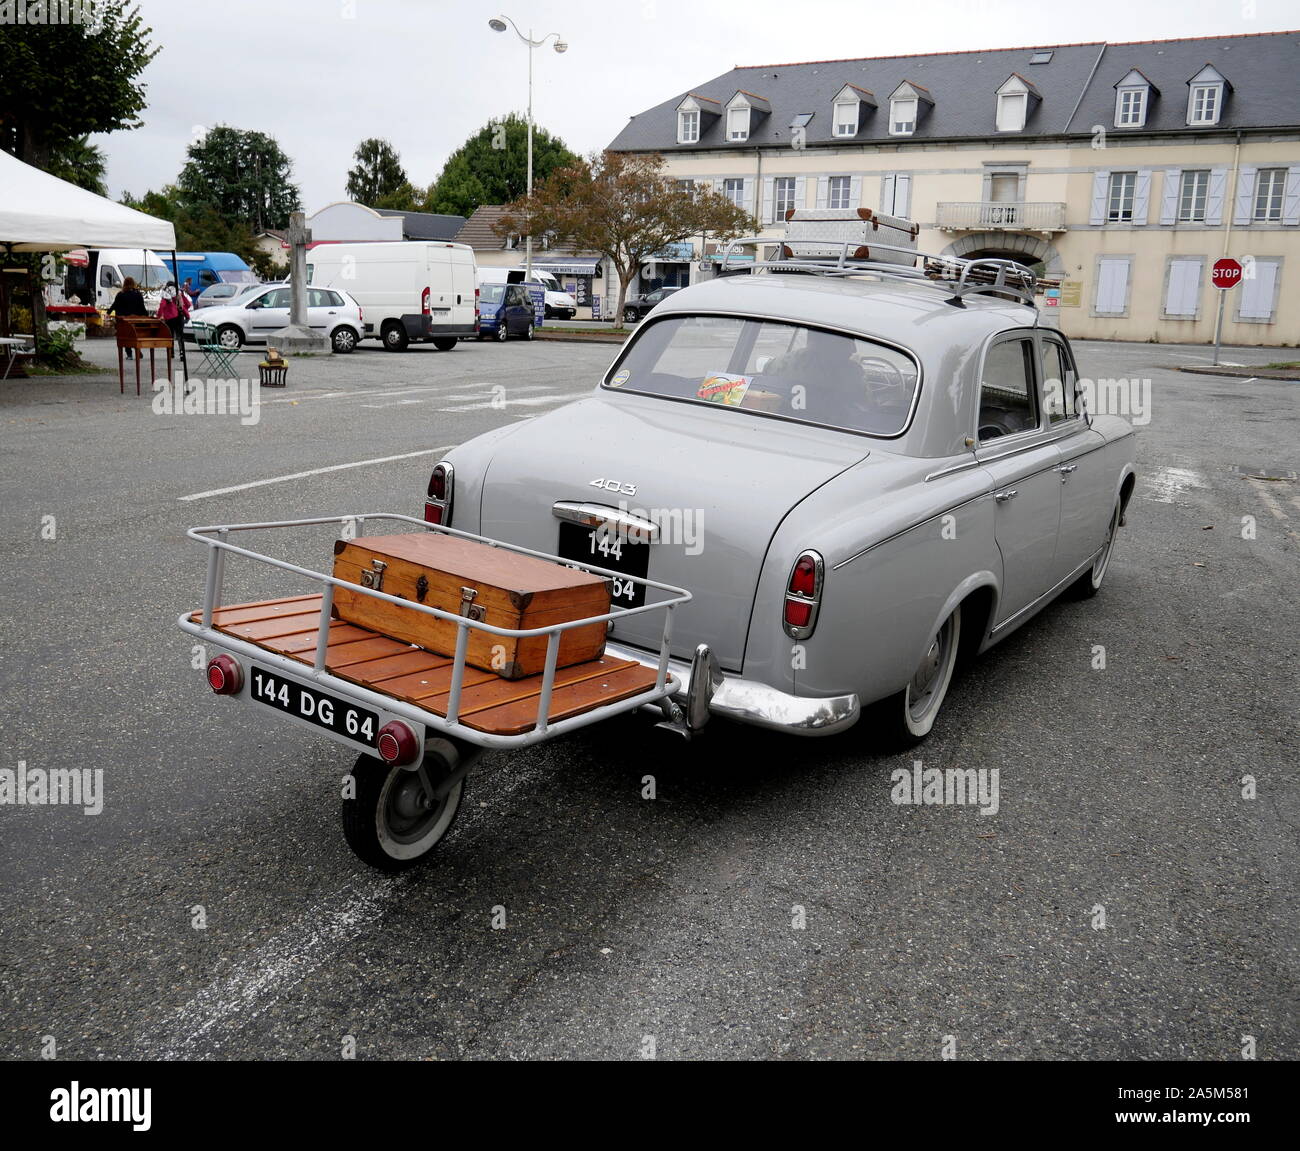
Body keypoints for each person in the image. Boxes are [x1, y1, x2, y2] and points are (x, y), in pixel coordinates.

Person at [104, 276, 147, 358]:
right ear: (133, 284)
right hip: (136, 319)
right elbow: (142, 307)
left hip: (124, 320)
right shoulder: (138, 294)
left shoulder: (121, 294)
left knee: (126, 336)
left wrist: (108, 313)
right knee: (135, 335)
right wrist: (145, 316)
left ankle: (129, 354)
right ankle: (138, 349)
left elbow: (115, 305)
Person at [157, 281, 190, 350]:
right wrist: (187, 316)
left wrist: (159, 316)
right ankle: (181, 351)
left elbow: (162, 305)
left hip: (170, 318)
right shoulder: (179, 294)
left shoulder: (166, 295)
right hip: (180, 316)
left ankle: (171, 352)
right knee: (180, 335)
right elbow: (187, 304)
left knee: (170, 335)